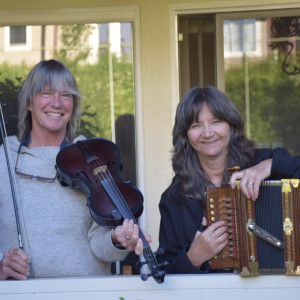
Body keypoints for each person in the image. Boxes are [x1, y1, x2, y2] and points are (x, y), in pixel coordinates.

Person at [0, 59, 150, 280]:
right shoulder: (4, 160)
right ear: (29, 102)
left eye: (66, 95)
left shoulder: (91, 162)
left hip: (85, 293)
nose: (57, 103)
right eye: (47, 93)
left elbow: (99, 243)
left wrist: (115, 239)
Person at [158, 85, 300, 274]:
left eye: (216, 122)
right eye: (196, 125)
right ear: (185, 135)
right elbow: (165, 275)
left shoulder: (262, 163)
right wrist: (193, 257)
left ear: (232, 125)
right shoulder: (174, 198)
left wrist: (270, 165)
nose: (207, 133)